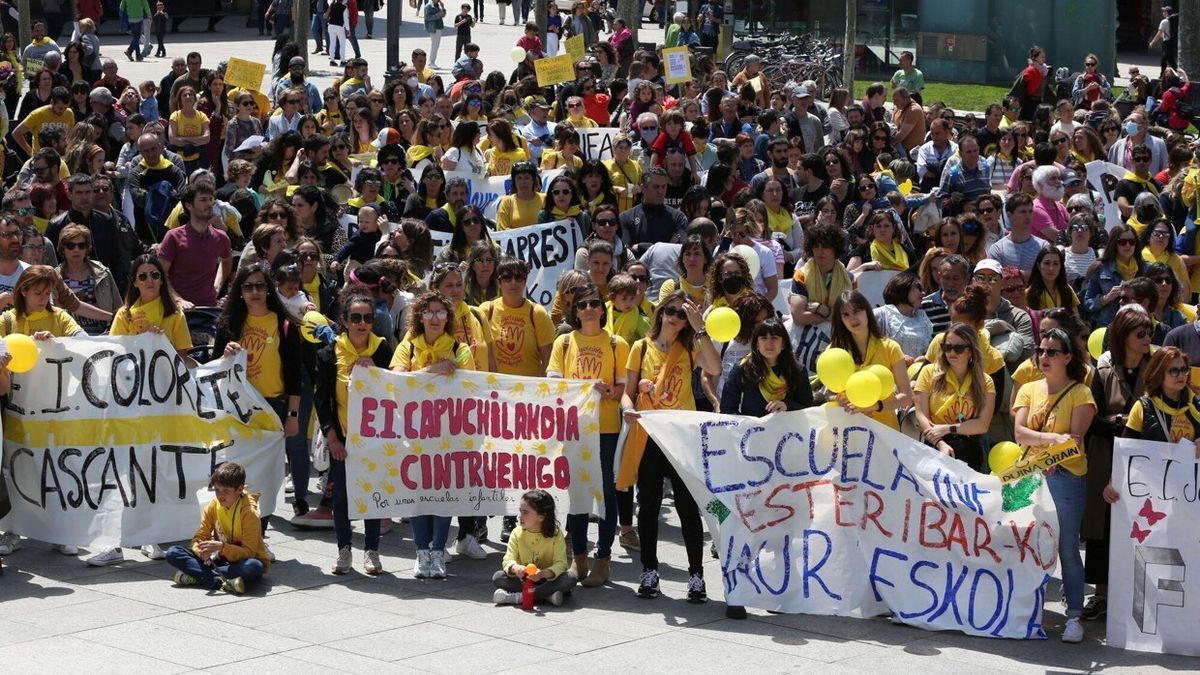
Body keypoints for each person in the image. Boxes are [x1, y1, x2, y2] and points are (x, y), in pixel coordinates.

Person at [619, 291, 720, 602]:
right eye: (670, 311)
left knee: (688, 508)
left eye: (681, 313)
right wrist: (628, 408)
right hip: (648, 436)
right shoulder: (640, 347)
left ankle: (696, 576)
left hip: (680, 437)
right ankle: (649, 571)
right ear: (660, 313)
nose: (675, 317)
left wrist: (699, 326)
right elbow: (627, 392)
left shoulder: (690, 347)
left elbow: (715, 368)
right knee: (647, 507)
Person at [1013, 326, 1097, 643]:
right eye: (1041, 350)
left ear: (1067, 357)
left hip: (1065, 478)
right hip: (1029, 476)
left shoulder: (1080, 393)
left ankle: (1074, 615)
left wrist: (1050, 453)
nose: (1044, 356)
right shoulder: (1028, 389)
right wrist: (1051, 442)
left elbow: (1074, 443)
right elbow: (1019, 434)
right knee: (1023, 542)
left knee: (1067, 548)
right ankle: (1025, 608)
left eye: (1051, 352)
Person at [547, 282, 628, 587]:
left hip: (606, 428)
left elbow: (622, 388)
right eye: (582, 305)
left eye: (595, 303)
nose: (589, 308)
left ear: (603, 308)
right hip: (574, 429)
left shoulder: (617, 343)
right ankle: (578, 557)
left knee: (605, 492)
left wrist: (608, 390)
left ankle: (603, 559)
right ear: (575, 311)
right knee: (577, 493)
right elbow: (553, 382)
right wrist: (582, 388)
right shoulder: (564, 343)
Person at [390, 289, 476, 578]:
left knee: (443, 493)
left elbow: (472, 389)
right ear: (420, 316)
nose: (435, 317)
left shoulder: (459, 349)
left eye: (441, 312)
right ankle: (421, 552)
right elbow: (398, 381)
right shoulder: (408, 346)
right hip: (414, 434)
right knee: (417, 494)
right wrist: (433, 370)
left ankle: (438, 551)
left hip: (448, 436)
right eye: (429, 311)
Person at [213, 263, 304, 524]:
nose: (254, 291)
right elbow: (213, 367)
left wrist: (293, 415)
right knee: (233, 474)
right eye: (248, 286)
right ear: (239, 290)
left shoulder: (285, 325)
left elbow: (294, 377)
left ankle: (257, 535)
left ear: (269, 289)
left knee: (262, 477)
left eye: (260, 285)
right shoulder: (229, 323)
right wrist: (225, 355)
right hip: (237, 407)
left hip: (272, 408)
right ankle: (232, 531)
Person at [315, 289, 392, 575]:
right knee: (343, 497)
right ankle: (344, 550)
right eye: (356, 317)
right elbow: (322, 399)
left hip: (374, 438)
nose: (362, 323)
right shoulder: (328, 352)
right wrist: (331, 436)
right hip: (343, 437)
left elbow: (396, 390)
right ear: (345, 320)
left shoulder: (383, 349)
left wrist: (377, 371)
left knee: (371, 494)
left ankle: (371, 551)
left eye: (368, 318)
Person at [1083, 305, 1153, 621]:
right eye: (1141, 334)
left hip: (1146, 459)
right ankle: (1101, 595)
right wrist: (1121, 421)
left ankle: (1139, 593)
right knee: (1104, 525)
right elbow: (1091, 419)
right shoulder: (1102, 371)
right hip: (1106, 456)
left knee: (1143, 523)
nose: (1147, 338)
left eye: (1150, 332)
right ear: (1124, 336)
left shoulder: (1156, 368)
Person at [164, 462, 268, 595]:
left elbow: (249, 552)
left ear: (240, 489)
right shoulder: (214, 505)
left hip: (241, 561)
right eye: (217, 490)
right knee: (173, 552)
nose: (220, 495)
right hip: (219, 559)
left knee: (254, 567)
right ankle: (220, 581)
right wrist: (201, 551)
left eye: (226, 491)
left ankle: (199, 575)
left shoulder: (249, 512)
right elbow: (200, 537)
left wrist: (222, 547)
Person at [913, 322, 996, 471]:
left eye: (958, 348)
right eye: (947, 347)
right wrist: (940, 443)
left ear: (971, 351)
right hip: (935, 446)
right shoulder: (928, 373)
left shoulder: (985, 381)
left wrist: (946, 429)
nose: (952, 352)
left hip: (970, 449)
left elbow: (982, 425)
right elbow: (921, 415)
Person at [828, 290, 913, 430]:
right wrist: (837, 399)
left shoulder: (890, 347)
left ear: (867, 311)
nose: (852, 318)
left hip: (885, 431)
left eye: (857, 311)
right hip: (848, 430)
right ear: (841, 320)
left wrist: (877, 406)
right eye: (846, 315)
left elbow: (906, 397)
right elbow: (829, 394)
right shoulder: (835, 351)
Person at [492, 489, 577, 606]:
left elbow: (561, 564)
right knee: (498, 577)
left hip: (547, 579)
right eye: (520, 511)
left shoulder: (556, 534)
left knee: (570, 578)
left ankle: (518, 597)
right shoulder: (517, 533)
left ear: (541, 517)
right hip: (524, 579)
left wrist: (542, 574)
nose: (519, 516)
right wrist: (516, 568)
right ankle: (546, 595)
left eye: (525, 512)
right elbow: (508, 559)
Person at [1083, 224, 1144, 328]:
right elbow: (1088, 303)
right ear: (1114, 244)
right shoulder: (1100, 268)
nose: (1128, 245)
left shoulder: (1145, 269)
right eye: (1122, 242)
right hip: (1107, 327)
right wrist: (1106, 298)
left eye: (1132, 242)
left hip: (1138, 325)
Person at [874, 272, 933, 362]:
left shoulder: (922, 318)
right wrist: (896, 357)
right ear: (903, 287)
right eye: (918, 288)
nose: (923, 293)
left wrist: (925, 358)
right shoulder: (880, 315)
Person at [986, 193, 1046, 280]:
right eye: (1023, 212)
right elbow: (993, 279)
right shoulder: (997, 249)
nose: (1028, 216)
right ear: (1009, 215)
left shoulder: (1043, 246)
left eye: (1030, 211)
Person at [1026, 246, 1080, 315]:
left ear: (1061, 266)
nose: (1051, 268)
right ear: (1039, 266)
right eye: (1047, 263)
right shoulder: (1029, 293)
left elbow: (1076, 317)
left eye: (1055, 264)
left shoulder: (1067, 289)